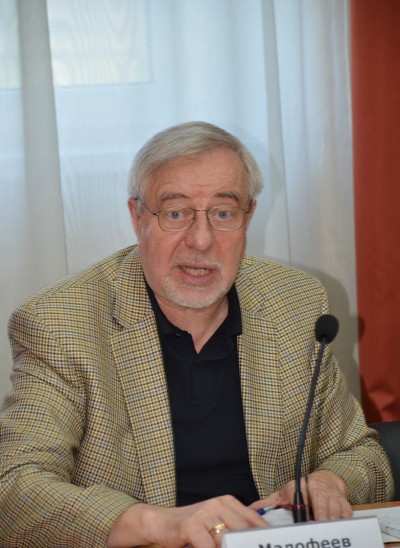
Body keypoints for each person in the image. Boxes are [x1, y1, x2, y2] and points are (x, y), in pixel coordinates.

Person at [0, 121, 393, 547]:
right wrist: (158, 524)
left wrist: (331, 481)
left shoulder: (294, 303)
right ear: (137, 216)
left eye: (223, 213)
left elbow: (363, 455)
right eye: (176, 213)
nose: (201, 240)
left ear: (248, 217)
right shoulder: (61, 323)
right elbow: (15, 489)